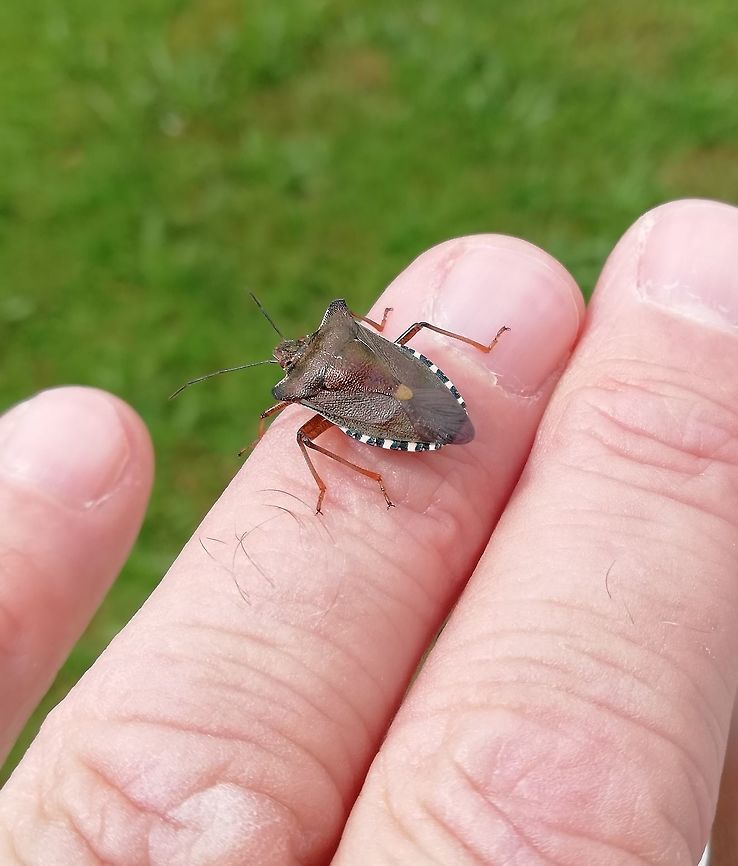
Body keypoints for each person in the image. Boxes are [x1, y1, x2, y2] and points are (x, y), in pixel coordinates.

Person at [0, 199, 730, 865]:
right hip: (403, 383)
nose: (290, 363)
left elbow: (296, 401)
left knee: (301, 440)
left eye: (290, 358)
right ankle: (398, 444)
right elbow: (346, 327)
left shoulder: (303, 396)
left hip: (405, 412)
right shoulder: (340, 338)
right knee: (385, 362)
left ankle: (370, 480)